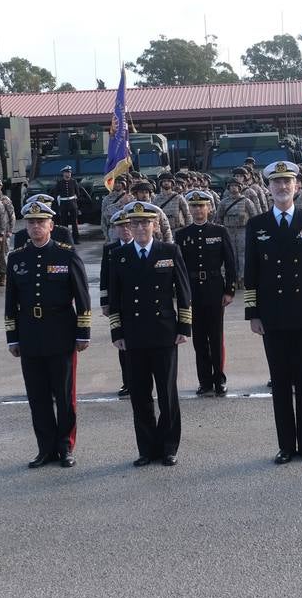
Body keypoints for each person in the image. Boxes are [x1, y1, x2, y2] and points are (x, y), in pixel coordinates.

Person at [244, 160, 302, 464]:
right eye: (276, 183)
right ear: (268, 188)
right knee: (281, 382)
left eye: (288, 182)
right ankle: (286, 445)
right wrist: (253, 314)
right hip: (273, 316)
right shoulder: (257, 225)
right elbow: (251, 273)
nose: (282, 188)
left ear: (297, 186)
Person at [5, 198, 90, 469]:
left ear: (51, 225)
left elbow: (82, 296)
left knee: (64, 396)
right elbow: (10, 302)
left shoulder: (66, 254)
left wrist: (83, 332)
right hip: (30, 335)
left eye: (41, 222)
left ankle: (65, 447)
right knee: (37, 396)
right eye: (31, 223)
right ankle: (45, 448)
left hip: (60, 332)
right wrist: (13, 336)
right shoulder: (17, 258)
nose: (35, 227)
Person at [108, 201, 191, 467]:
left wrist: (184, 327)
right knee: (140, 395)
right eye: (136, 223)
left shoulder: (169, 250)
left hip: (164, 333)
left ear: (155, 225)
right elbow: (115, 299)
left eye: (146, 223)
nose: (141, 227)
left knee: (167, 394)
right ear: (129, 227)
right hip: (133, 335)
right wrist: (116, 332)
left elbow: (184, 292)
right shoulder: (119, 256)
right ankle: (146, 448)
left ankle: (168, 447)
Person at [175, 189, 237, 397]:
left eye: (201, 206)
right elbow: (179, 268)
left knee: (216, 338)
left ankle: (219, 379)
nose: (198, 210)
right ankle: (205, 381)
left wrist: (229, 290)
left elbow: (230, 263)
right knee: (199, 339)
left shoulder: (219, 232)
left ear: (209, 208)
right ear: (189, 210)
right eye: (194, 206)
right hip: (193, 291)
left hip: (214, 290)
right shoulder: (182, 235)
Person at [99, 208, 133, 398]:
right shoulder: (110, 250)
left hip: (136, 303)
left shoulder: (140, 246)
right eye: (121, 227)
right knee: (122, 344)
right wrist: (105, 302)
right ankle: (127, 382)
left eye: (128, 225)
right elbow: (104, 278)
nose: (125, 230)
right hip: (117, 303)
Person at [217, 180, 253, 285]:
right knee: (231, 254)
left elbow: (254, 216)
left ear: (239, 187)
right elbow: (218, 217)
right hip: (228, 230)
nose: (233, 188)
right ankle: (233, 277)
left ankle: (242, 277)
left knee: (242, 254)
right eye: (231, 186)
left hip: (242, 230)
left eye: (235, 186)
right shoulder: (223, 202)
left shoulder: (246, 201)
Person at [52, 166, 82, 244]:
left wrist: (75, 200)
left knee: (74, 223)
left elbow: (78, 194)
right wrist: (59, 199)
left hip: (72, 204)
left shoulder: (74, 182)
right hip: (63, 204)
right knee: (64, 223)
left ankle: (76, 239)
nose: (68, 174)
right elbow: (55, 194)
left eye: (69, 173)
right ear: (63, 173)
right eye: (66, 172)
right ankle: (65, 239)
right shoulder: (59, 183)